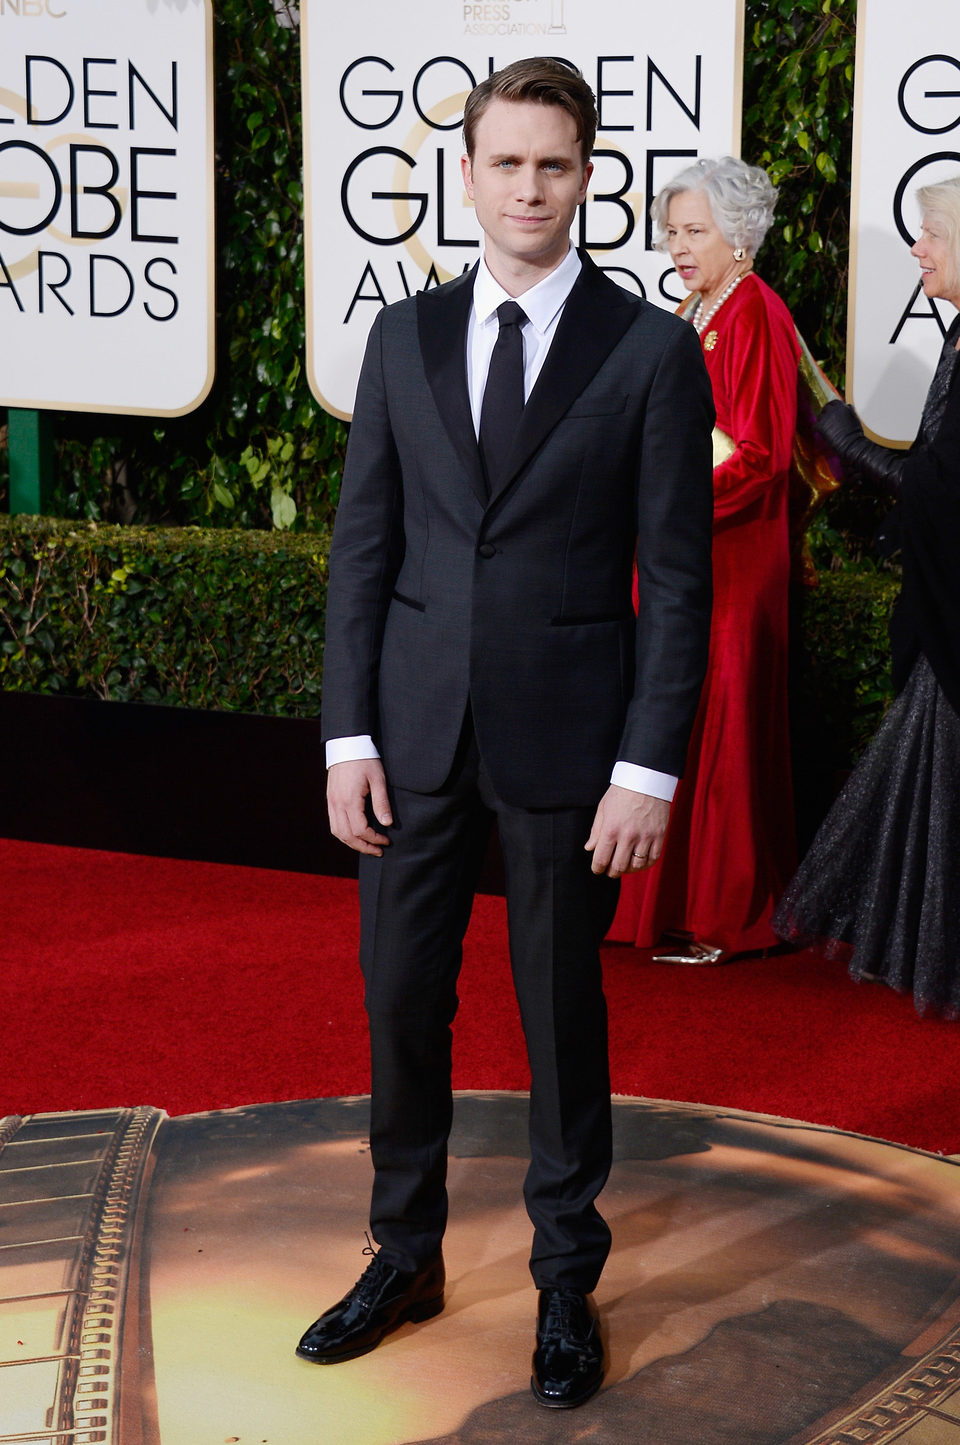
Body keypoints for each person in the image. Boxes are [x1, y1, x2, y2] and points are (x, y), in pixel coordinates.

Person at [295, 58, 714, 1407]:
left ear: (586, 177)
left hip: (571, 747)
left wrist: (648, 766)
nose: (528, 186)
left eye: (554, 164)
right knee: (400, 998)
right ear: (464, 175)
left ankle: (563, 1279)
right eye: (506, 162)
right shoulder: (403, 337)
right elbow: (364, 553)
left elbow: (680, 577)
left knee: (560, 1013)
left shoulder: (650, 350)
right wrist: (345, 736)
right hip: (411, 736)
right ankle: (403, 1251)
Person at [773, 176, 960, 1015]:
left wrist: (855, 450)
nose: (916, 248)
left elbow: (944, 489)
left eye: (931, 235)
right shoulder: (959, 335)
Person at [606, 157, 799, 964]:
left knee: (722, 726)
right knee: (677, 718)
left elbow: (760, 455)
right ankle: (667, 902)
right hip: (688, 555)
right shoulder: (698, 304)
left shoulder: (753, 310)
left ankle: (722, 911)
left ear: (741, 235)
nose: (678, 247)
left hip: (732, 557)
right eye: (672, 232)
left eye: (695, 231)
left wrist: (660, 506)